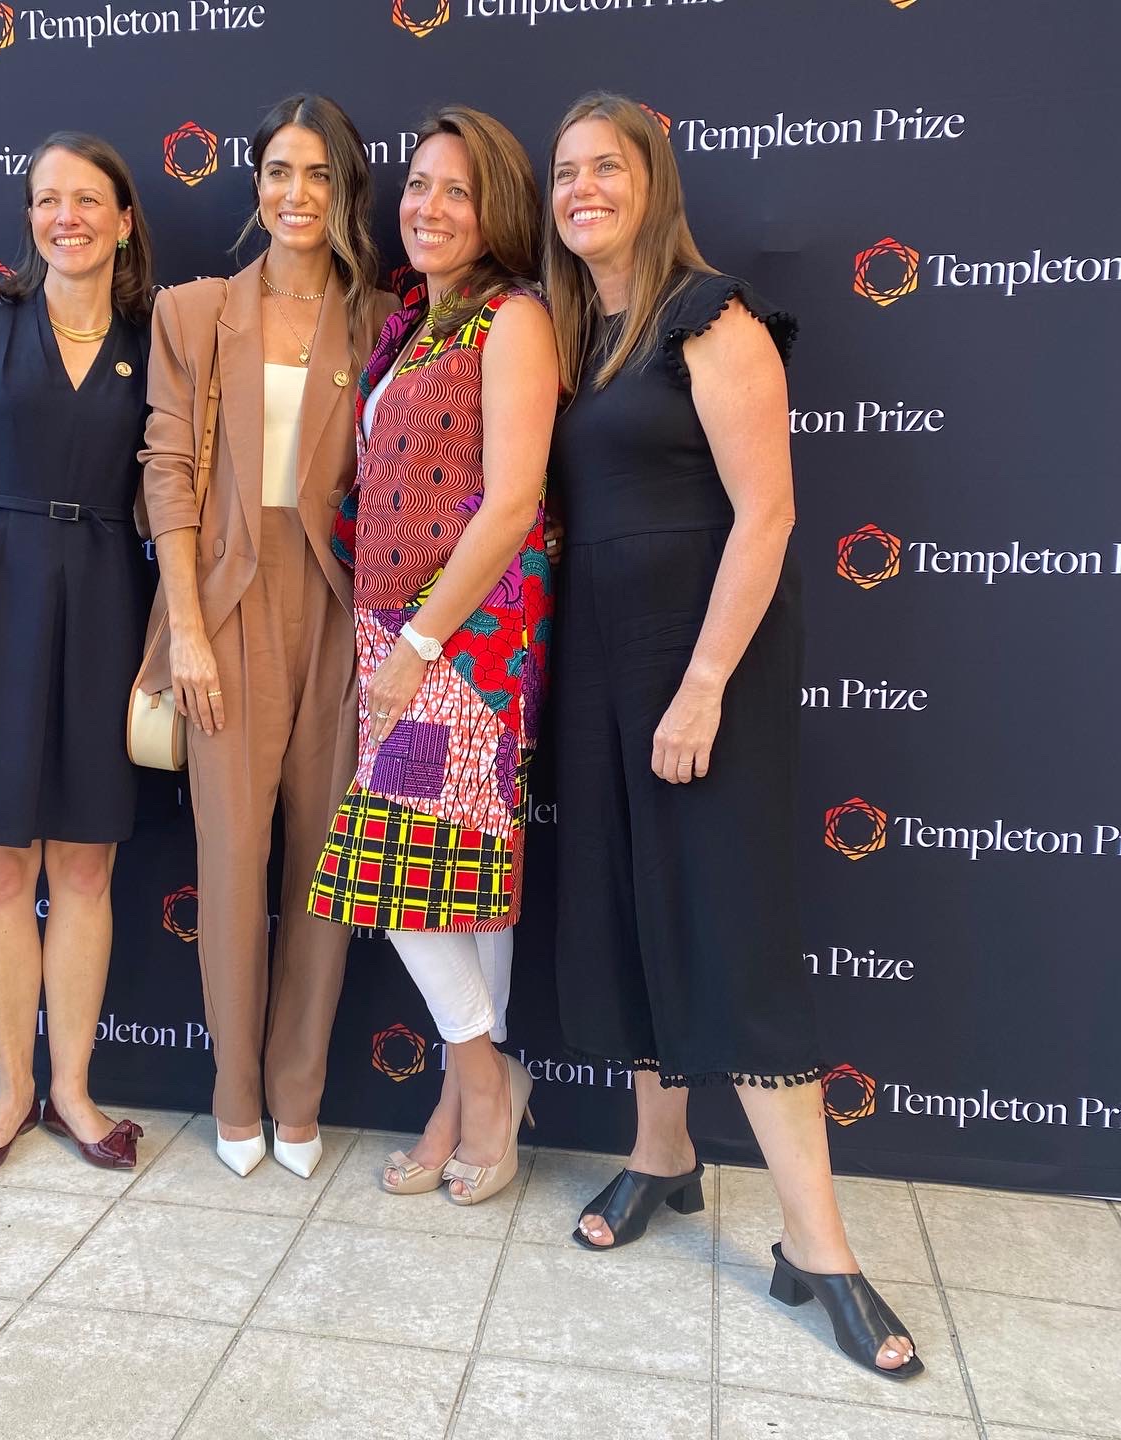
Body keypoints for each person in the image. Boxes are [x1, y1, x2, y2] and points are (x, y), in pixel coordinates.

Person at [543, 92, 921, 1378]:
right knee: (638, 908)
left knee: (733, 931)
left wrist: (703, 683)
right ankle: (662, 1155)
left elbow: (766, 520)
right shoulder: (587, 336)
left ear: (654, 182)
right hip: (596, 661)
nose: (582, 187)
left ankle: (820, 1247)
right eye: (564, 171)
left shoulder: (713, 315)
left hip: (702, 665)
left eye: (607, 168)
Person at [139, 95, 395, 1180]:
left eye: (321, 174)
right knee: (232, 860)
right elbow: (170, 472)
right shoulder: (195, 312)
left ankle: (300, 1094)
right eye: (281, 171)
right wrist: (186, 631)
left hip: (342, 610)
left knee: (323, 867)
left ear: (348, 192)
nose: (298, 194)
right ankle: (233, 1094)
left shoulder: (386, 318)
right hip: (228, 605)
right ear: (255, 184)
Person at [308, 106, 557, 1207]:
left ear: (495, 208)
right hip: (395, 633)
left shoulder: (514, 318)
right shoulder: (412, 325)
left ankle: (480, 1077)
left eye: (457, 190)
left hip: (468, 638)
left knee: (406, 877)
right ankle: (472, 1099)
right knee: (461, 887)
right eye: (418, 184)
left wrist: (417, 641)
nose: (429, 206)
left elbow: (511, 505)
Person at [0, 132, 154, 1179]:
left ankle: (74, 1091)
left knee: (87, 862)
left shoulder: (161, 333)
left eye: (88, 199)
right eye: (48, 199)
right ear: (30, 215)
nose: (67, 218)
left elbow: (173, 489)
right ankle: (9, 1092)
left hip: (104, 592)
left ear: (125, 218)